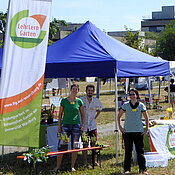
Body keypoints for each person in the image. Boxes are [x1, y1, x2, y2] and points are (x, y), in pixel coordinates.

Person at [54, 84, 85, 172]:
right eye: (73, 89)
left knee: (75, 146)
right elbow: (60, 115)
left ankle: (72, 166)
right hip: (65, 125)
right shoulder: (64, 100)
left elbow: (83, 115)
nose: (75, 91)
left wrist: (82, 125)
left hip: (76, 126)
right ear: (70, 90)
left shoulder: (79, 101)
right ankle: (58, 166)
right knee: (61, 146)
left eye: (76, 89)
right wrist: (59, 126)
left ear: (78, 91)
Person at [118, 89, 149, 174]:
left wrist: (146, 129)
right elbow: (119, 116)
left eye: (133, 94)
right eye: (130, 94)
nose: (132, 96)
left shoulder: (141, 105)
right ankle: (127, 169)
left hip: (138, 131)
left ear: (137, 95)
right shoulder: (126, 105)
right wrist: (120, 127)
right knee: (128, 151)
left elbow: (146, 117)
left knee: (140, 152)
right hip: (128, 132)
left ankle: (143, 169)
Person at [80, 84, 103, 167]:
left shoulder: (96, 101)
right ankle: (85, 162)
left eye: (92, 91)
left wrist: (95, 117)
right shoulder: (81, 100)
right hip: (84, 127)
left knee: (94, 144)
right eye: (88, 90)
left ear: (93, 92)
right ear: (86, 91)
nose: (90, 92)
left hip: (93, 126)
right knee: (85, 145)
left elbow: (100, 108)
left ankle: (95, 161)